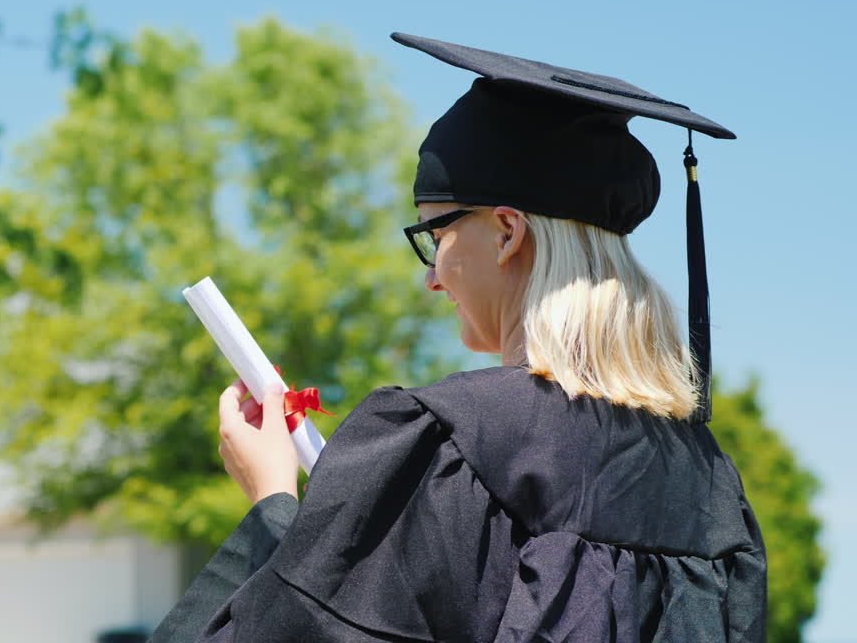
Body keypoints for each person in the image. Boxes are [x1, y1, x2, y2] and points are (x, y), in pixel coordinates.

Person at [148, 34, 767, 643]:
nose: (430, 279)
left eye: (434, 237)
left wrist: (273, 506)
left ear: (505, 232)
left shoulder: (446, 442)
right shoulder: (712, 490)